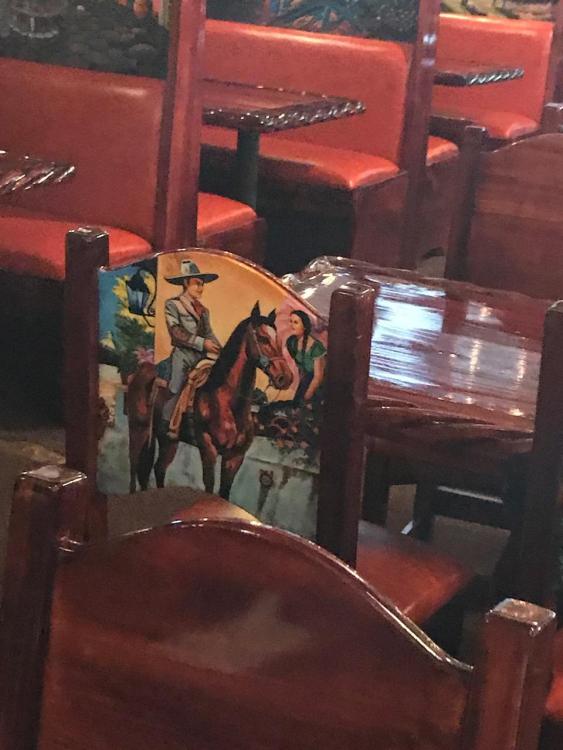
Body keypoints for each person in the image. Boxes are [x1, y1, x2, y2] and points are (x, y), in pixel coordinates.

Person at [160, 260, 221, 436]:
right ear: (186, 283)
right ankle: (167, 423)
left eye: (202, 285)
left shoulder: (204, 310)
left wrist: (222, 350)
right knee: (176, 387)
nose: (201, 288)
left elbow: (209, 333)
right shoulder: (173, 305)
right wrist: (202, 343)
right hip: (183, 355)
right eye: (197, 284)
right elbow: (176, 332)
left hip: (201, 358)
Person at [285, 309, 326, 405]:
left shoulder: (316, 347)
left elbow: (318, 377)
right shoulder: (291, 342)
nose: (291, 325)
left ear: (304, 326)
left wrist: (307, 396)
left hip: (318, 386)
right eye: (290, 321)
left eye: (295, 322)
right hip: (304, 381)